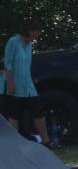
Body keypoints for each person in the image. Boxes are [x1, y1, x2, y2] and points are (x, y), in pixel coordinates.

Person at [4, 19, 54, 147]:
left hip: (28, 85)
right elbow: (8, 64)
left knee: (38, 111)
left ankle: (46, 141)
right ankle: (15, 145)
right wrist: (10, 82)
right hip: (15, 85)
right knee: (14, 115)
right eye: (35, 33)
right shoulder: (13, 42)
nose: (36, 36)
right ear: (29, 31)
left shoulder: (29, 45)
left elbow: (27, 65)